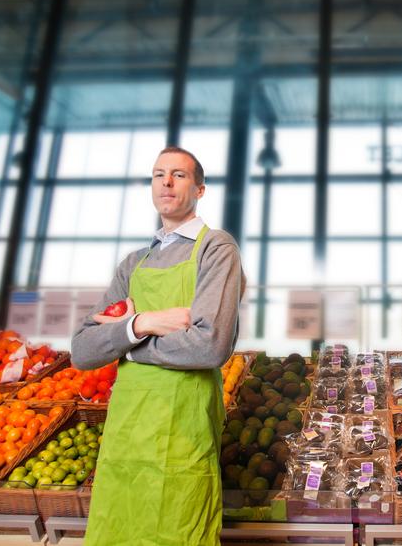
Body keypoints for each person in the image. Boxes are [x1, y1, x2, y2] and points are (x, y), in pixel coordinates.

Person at [71, 146, 245, 545]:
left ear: (199, 189)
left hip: (183, 424)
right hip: (126, 428)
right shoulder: (133, 264)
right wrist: (144, 322)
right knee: (119, 527)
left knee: (179, 527)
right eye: (158, 174)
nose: (166, 182)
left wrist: (126, 345)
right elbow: (83, 350)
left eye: (179, 175)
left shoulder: (216, 249)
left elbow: (208, 345)